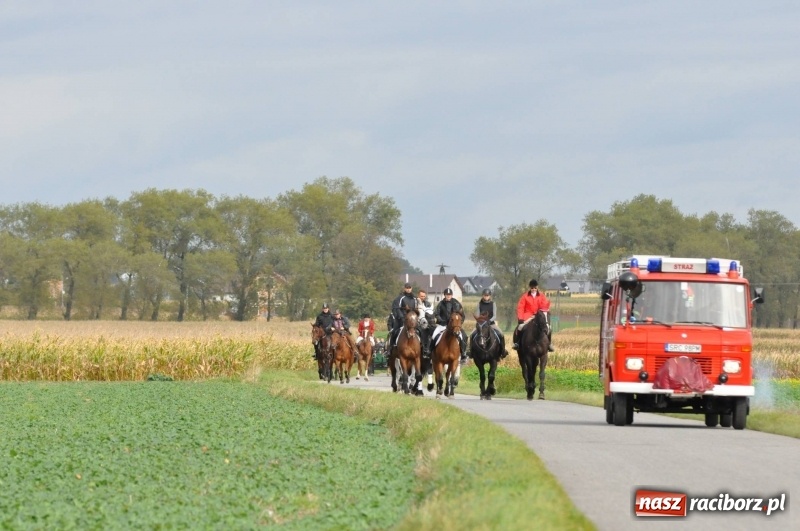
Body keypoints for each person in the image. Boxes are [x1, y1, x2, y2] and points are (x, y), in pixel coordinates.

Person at [513, 279, 554, 352]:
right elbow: (520, 307)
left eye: (535, 288)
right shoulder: (525, 296)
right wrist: (520, 318)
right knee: (520, 327)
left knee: (549, 328)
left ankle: (549, 344)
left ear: (537, 287)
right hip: (527, 316)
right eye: (532, 288)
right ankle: (517, 343)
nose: (533, 289)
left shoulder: (541, 296)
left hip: (539, 316)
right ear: (530, 288)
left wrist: (541, 314)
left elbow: (544, 306)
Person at [432, 287, 468, 363]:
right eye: (447, 295)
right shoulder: (441, 304)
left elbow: (462, 315)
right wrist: (441, 320)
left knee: (464, 336)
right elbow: (436, 314)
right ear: (444, 295)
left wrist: (458, 324)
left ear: (452, 295)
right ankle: (431, 353)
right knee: (433, 336)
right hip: (442, 325)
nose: (448, 296)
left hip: (455, 326)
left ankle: (463, 354)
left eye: (449, 295)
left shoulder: (456, 303)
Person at [470, 288, 508, 358]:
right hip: (481, 325)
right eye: (485, 295)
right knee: (472, 334)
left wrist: (489, 321)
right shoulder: (479, 304)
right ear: (482, 296)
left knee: (501, 334)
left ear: (490, 296)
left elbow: (494, 316)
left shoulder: (493, 304)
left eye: (487, 295)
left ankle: (503, 351)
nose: (486, 297)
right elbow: (478, 315)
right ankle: (471, 352)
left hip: (491, 324)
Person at [389, 282, 418, 348]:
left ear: (411, 289)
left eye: (409, 288)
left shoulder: (415, 299)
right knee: (394, 332)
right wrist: (402, 317)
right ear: (404, 289)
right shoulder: (400, 298)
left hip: (411, 319)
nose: (408, 289)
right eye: (407, 288)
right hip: (401, 319)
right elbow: (396, 308)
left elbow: (415, 309)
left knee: (420, 331)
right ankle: (391, 347)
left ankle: (423, 347)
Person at [417, 289, 435, 358]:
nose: (423, 297)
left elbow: (430, 314)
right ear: (418, 295)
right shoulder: (415, 303)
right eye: (421, 296)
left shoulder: (428, 304)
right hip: (417, 323)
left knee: (433, 332)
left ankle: (429, 350)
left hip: (426, 323)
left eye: (424, 296)